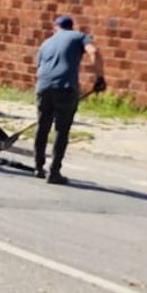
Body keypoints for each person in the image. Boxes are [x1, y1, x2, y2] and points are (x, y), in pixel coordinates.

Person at [34, 15, 106, 184]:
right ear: (71, 27)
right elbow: (93, 52)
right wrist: (100, 78)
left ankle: (38, 167)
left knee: (43, 126)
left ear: (55, 28)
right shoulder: (79, 36)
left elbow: (38, 68)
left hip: (43, 87)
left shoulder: (46, 43)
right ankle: (54, 171)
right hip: (65, 88)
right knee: (62, 129)